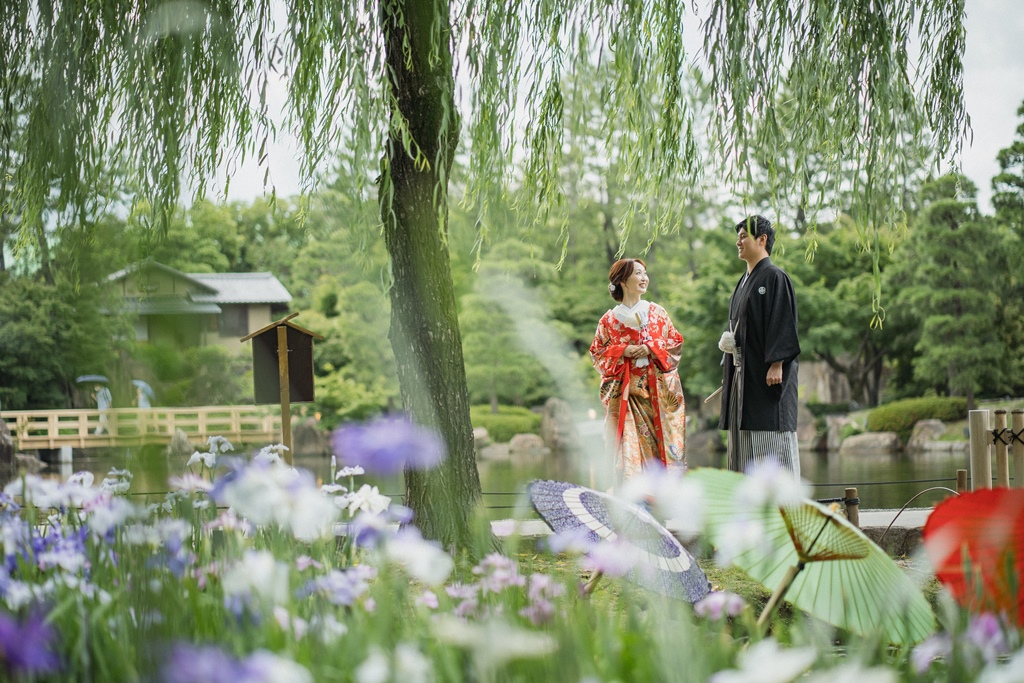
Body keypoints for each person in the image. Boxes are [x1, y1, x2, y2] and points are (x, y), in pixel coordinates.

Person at [718, 215, 801, 476]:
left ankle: (781, 505)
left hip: (767, 375)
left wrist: (777, 363)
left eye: (744, 236)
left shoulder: (775, 276)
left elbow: (783, 320)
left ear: (762, 240)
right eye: (739, 237)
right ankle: (748, 506)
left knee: (769, 435)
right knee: (742, 439)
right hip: (742, 373)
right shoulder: (743, 281)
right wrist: (730, 342)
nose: (738, 242)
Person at [590, 258, 687, 480]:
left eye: (645, 273)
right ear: (623, 280)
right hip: (626, 398)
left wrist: (650, 348)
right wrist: (621, 351)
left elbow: (675, 343)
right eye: (638, 274)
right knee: (628, 453)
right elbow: (596, 353)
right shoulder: (608, 321)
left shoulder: (658, 313)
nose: (644, 278)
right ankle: (632, 503)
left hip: (657, 397)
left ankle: (659, 504)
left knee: (659, 454)